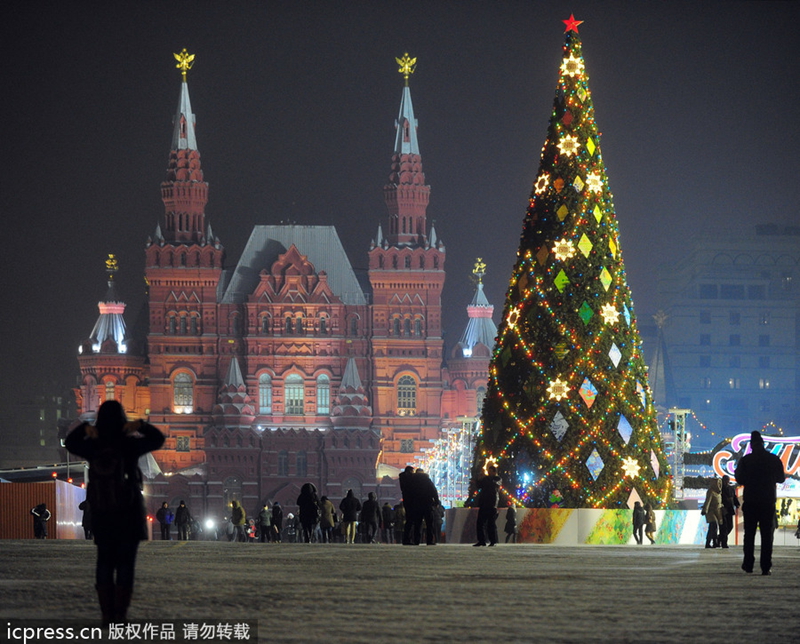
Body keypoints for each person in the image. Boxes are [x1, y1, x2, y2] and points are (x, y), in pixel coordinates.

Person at [64, 400, 165, 625]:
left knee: (105, 562)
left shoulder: (94, 444)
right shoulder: (129, 443)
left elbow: (70, 443)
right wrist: (139, 425)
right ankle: (120, 614)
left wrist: (86, 428)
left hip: (103, 511)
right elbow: (158, 439)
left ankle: (106, 614)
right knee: (126, 563)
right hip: (128, 511)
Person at [734, 431, 786, 575]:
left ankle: (748, 564)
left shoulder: (746, 460)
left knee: (749, 535)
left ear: (751, 445)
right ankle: (765, 566)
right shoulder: (773, 459)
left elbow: (739, 479)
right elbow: (781, 478)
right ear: (763, 444)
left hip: (751, 501)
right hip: (767, 501)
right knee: (767, 536)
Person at [474, 465, 501, 547]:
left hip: (491, 504)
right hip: (484, 504)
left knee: (491, 524)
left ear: (494, 472)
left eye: (490, 471)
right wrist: (479, 478)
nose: (489, 473)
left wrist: (484, 477)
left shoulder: (497, 479)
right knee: (480, 523)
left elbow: (490, 483)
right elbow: (479, 485)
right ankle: (481, 540)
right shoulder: (487, 479)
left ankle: (492, 541)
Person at [415, 468, 441, 546]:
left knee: (417, 523)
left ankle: (416, 540)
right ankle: (429, 540)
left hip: (417, 504)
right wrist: (436, 502)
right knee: (429, 523)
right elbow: (434, 491)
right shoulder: (427, 480)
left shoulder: (413, 481)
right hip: (427, 503)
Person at [399, 466, 419, 545]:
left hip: (407, 500)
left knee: (409, 520)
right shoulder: (409, 478)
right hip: (412, 501)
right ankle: (408, 539)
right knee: (412, 520)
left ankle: (407, 538)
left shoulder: (402, 477)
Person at [701, 479, 724, 548]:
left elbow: (719, 503)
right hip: (711, 511)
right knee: (713, 525)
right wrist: (705, 510)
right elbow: (708, 501)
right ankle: (708, 542)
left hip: (717, 512)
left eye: (720, 484)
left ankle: (714, 542)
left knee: (715, 527)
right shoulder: (711, 491)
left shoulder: (719, 492)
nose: (719, 485)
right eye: (718, 483)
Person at [719, 474, 739, 549]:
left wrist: (737, 504)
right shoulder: (720, 489)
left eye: (727, 480)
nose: (726, 481)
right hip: (723, 509)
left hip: (730, 509)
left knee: (730, 526)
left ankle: (720, 538)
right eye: (725, 480)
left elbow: (734, 497)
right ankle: (724, 542)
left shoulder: (731, 488)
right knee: (724, 527)